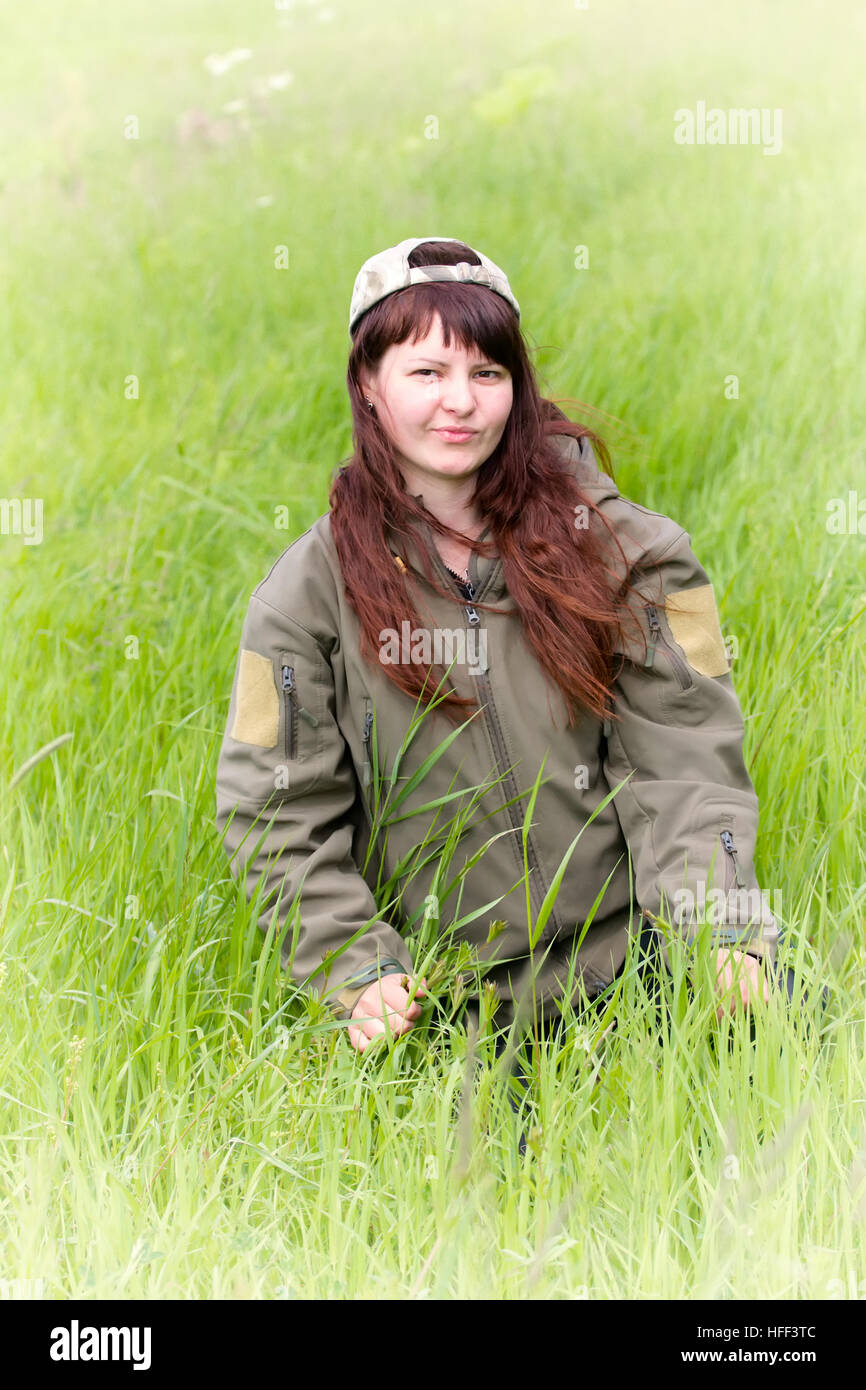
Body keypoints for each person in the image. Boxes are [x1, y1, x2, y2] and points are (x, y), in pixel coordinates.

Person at [214, 234, 814, 1060]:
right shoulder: (299, 599)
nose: (460, 401)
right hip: (449, 1001)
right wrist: (356, 969)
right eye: (427, 372)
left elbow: (688, 758)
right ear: (368, 385)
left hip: (639, 959)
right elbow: (273, 804)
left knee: (809, 1074)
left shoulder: (633, 551)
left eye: (485, 374)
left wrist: (723, 931)